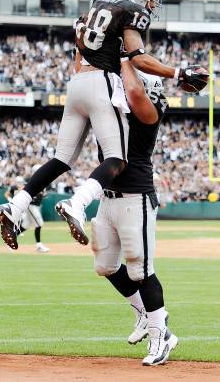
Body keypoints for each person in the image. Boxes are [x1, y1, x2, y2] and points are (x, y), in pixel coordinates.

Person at [0, 0, 208, 250]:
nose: (153, 4)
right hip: (101, 83)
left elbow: (79, 50)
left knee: (61, 159)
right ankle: (77, 203)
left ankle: (15, 206)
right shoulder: (131, 12)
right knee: (117, 159)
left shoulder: (98, 3)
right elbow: (139, 58)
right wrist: (178, 72)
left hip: (77, 81)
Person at [91, 56, 176, 366]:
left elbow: (136, 94)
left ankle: (160, 335)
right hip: (108, 197)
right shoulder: (114, 108)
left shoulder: (149, 107)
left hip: (135, 197)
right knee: (105, 266)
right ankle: (144, 311)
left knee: (141, 270)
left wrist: (127, 58)